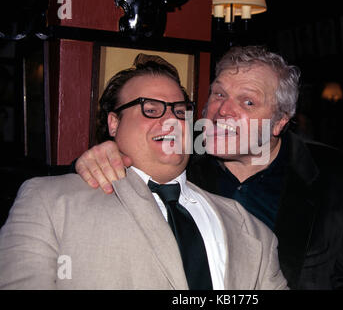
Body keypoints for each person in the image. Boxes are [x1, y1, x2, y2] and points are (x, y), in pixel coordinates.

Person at [74, 46, 343, 289]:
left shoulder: (341, 178)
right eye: (218, 93)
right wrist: (104, 155)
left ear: (279, 122)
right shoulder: (176, 154)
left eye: (248, 102)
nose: (222, 110)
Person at [0, 56, 287, 290]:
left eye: (179, 110)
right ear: (113, 124)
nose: (170, 120)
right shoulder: (49, 202)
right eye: (150, 109)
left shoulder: (253, 231)